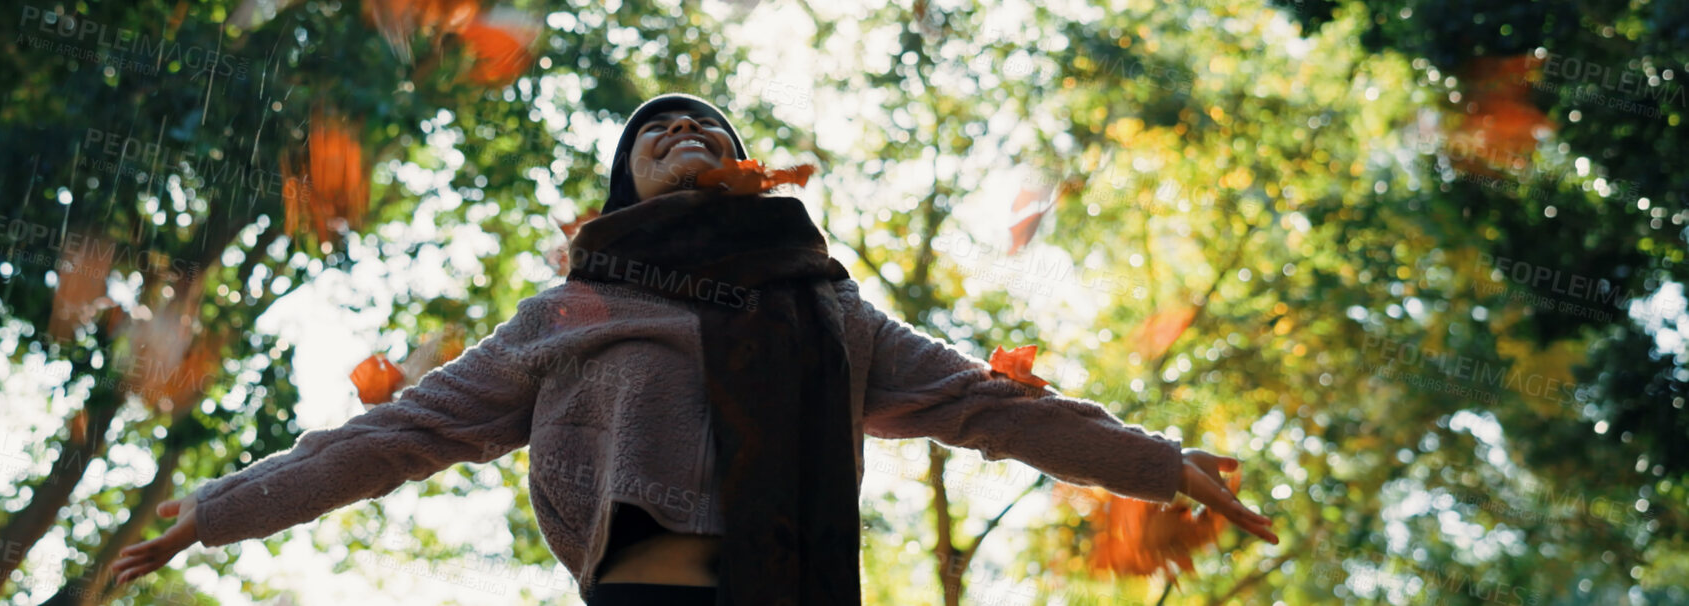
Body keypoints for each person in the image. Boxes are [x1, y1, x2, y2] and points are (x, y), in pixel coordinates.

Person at [111, 94, 1278, 605]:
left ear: (740, 165)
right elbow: (400, 433)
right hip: (653, 566)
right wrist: (217, 510)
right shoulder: (570, 312)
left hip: (802, 572)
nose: (678, 130)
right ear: (625, 186)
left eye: (702, 126)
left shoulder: (829, 307)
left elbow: (989, 406)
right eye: (651, 133)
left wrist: (1158, 462)